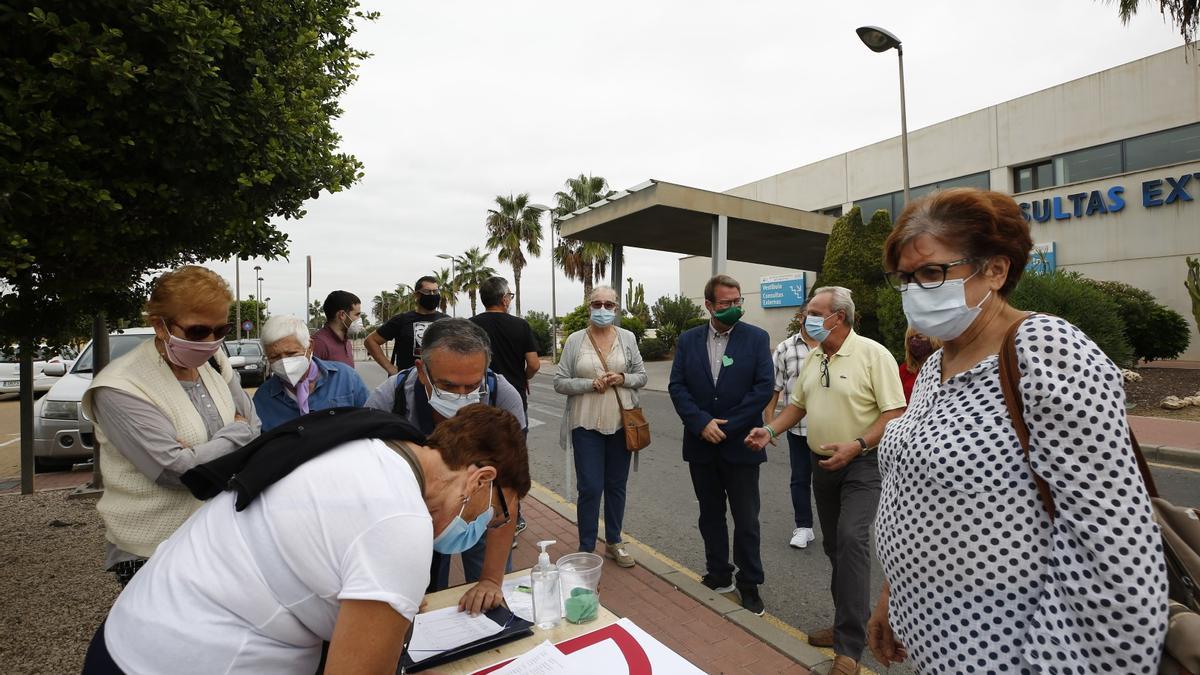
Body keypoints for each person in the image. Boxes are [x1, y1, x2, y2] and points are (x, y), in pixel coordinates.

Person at [867, 188, 1167, 673]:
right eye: (905, 278)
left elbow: (1115, 551)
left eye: (931, 272)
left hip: (1008, 643)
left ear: (996, 270)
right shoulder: (936, 364)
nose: (914, 291)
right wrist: (891, 596)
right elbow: (919, 497)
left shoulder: (1044, 349)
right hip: (927, 632)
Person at [82, 405, 530, 675]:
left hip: (132, 637)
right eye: (496, 513)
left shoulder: (367, 445)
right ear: (481, 478)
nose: (486, 527)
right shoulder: (400, 520)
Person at [745, 286, 906, 675]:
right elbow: (797, 405)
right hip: (823, 465)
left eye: (814, 312)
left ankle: (849, 649)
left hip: (862, 463)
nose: (806, 318)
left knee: (852, 540)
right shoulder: (814, 357)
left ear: (839, 317)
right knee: (836, 547)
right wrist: (771, 430)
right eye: (806, 312)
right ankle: (846, 622)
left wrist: (857, 444)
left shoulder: (872, 354)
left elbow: (895, 412)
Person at [82, 265, 261, 587]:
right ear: (159, 326)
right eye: (197, 332)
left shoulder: (215, 363)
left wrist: (198, 451)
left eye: (221, 330)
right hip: (152, 552)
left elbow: (256, 425)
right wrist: (236, 433)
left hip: (218, 539)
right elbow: (177, 471)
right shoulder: (120, 387)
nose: (211, 341)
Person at [365, 318, 526, 614]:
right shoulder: (390, 399)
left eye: (472, 385)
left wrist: (491, 579)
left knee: (488, 599)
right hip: (408, 518)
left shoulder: (503, 396)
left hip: (476, 508)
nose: (462, 396)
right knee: (416, 600)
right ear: (422, 372)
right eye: (448, 386)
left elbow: (508, 488)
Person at [668, 274, 773, 616]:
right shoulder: (688, 340)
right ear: (709, 305)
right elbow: (677, 386)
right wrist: (701, 423)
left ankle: (749, 583)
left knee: (746, 519)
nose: (733, 308)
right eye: (726, 303)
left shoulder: (756, 339)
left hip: (741, 443)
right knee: (710, 514)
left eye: (738, 302)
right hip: (701, 445)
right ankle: (718, 573)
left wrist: (729, 425)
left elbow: (762, 388)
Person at [553, 286, 648, 568]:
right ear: (589, 307)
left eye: (609, 304)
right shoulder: (574, 340)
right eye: (597, 304)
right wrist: (588, 384)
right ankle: (586, 547)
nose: (603, 309)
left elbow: (641, 376)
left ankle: (614, 542)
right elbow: (559, 381)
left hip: (621, 425)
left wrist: (621, 377)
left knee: (617, 486)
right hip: (585, 425)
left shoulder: (628, 338)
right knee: (591, 488)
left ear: (617, 308)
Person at [253, 315, 369, 432]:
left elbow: (372, 422)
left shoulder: (346, 378)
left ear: (310, 347)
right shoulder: (263, 398)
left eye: (291, 353)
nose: (284, 362)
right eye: (275, 357)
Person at [764, 309, 818, 549]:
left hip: (833, 430)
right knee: (800, 479)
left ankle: (837, 527)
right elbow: (774, 388)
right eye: (810, 314)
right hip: (798, 428)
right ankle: (804, 527)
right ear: (801, 317)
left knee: (832, 482)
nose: (814, 319)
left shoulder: (836, 345)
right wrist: (770, 424)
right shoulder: (785, 348)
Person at [469, 276, 540, 411]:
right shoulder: (521, 325)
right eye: (510, 296)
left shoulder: (469, 325)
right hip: (513, 396)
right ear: (504, 299)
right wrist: (522, 377)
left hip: (478, 396)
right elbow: (534, 364)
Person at [366, 275, 447, 375]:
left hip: (440, 381)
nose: (432, 295)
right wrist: (390, 368)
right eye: (427, 291)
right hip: (408, 383)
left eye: (435, 291)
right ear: (417, 295)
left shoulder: (447, 321)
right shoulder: (402, 320)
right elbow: (371, 341)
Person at [311, 290, 362, 367]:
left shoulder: (347, 342)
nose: (359, 319)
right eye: (357, 315)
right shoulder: (318, 344)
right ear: (342, 315)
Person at [897, 327, 940, 403]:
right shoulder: (905, 369)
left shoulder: (945, 365)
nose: (914, 341)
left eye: (919, 337)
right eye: (910, 339)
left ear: (932, 338)